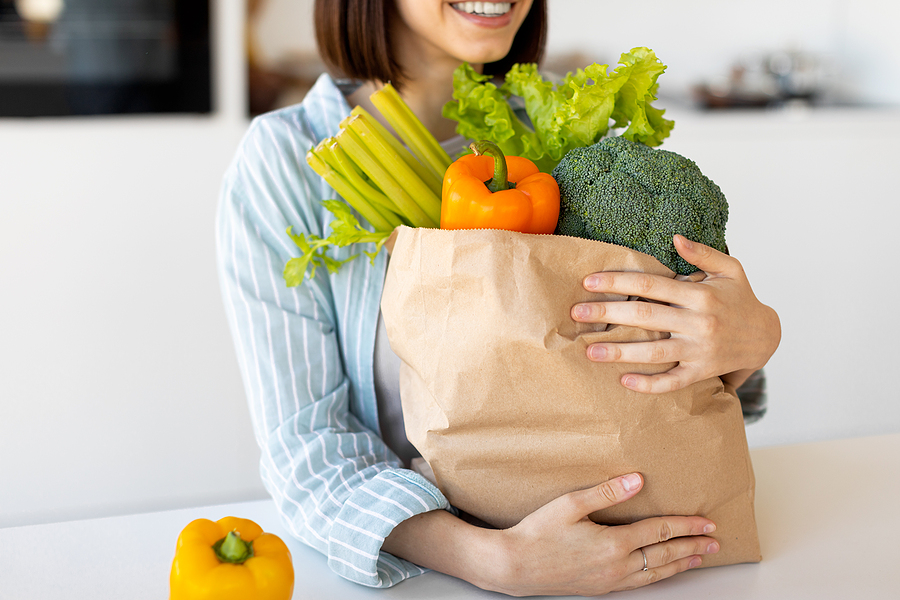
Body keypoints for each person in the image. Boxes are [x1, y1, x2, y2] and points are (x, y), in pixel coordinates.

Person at [215, 0, 782, 595]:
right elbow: (306, 450)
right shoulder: (285, 162)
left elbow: (643, 359)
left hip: (641, 549)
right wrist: (494, 560)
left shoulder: (561, 125)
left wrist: (751, 341)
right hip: (432, 579)